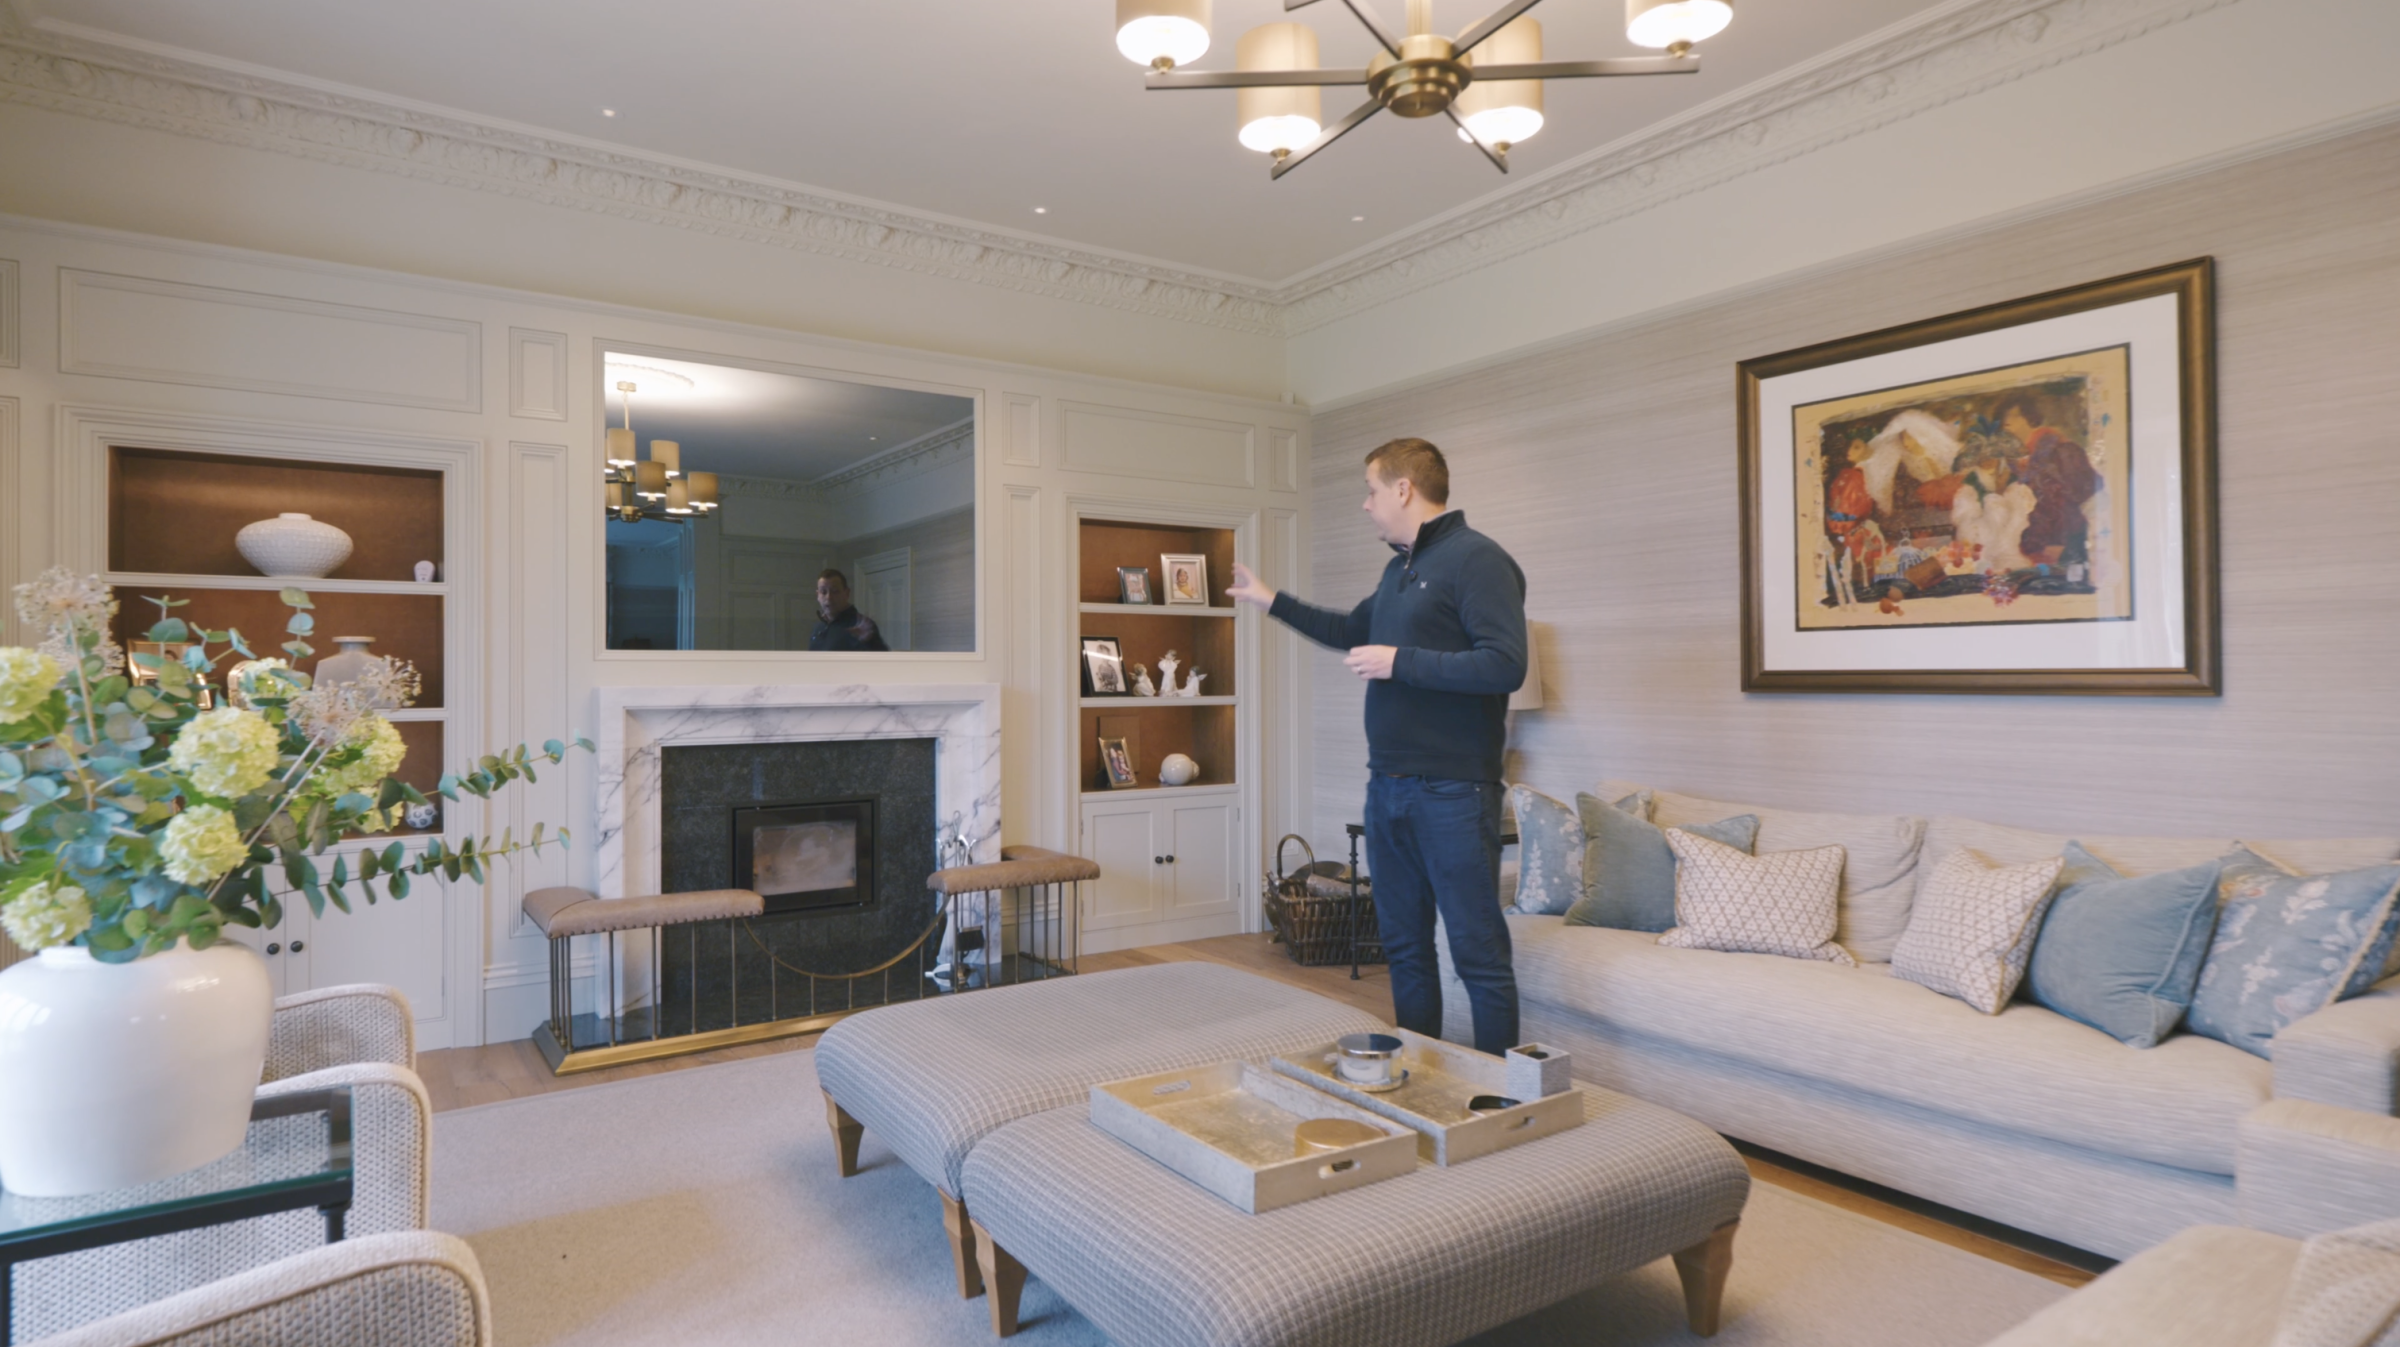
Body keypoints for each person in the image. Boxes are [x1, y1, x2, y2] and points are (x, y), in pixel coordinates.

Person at [1227, 437, 1528, 1055]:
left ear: (1403, 489)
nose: (1365, 505)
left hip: (1454, 792)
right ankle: (1418, 1077)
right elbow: (1348, 629)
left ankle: (1509, 1098)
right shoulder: (1400, 569)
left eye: (1370, 490)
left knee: (1477, 953)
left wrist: (1401, 661)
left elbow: (1504, 665)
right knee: (1405, 949)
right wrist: (1268, 599)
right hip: (1387, 788)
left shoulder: (1479, 561)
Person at [809, 569, 889, 651]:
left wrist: (869, 642)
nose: (829, 597)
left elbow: (883, 659)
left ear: (846, 593)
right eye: (823, 592)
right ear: (817, 595)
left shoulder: (860, 626)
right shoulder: (818, 627)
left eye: (835, 591)